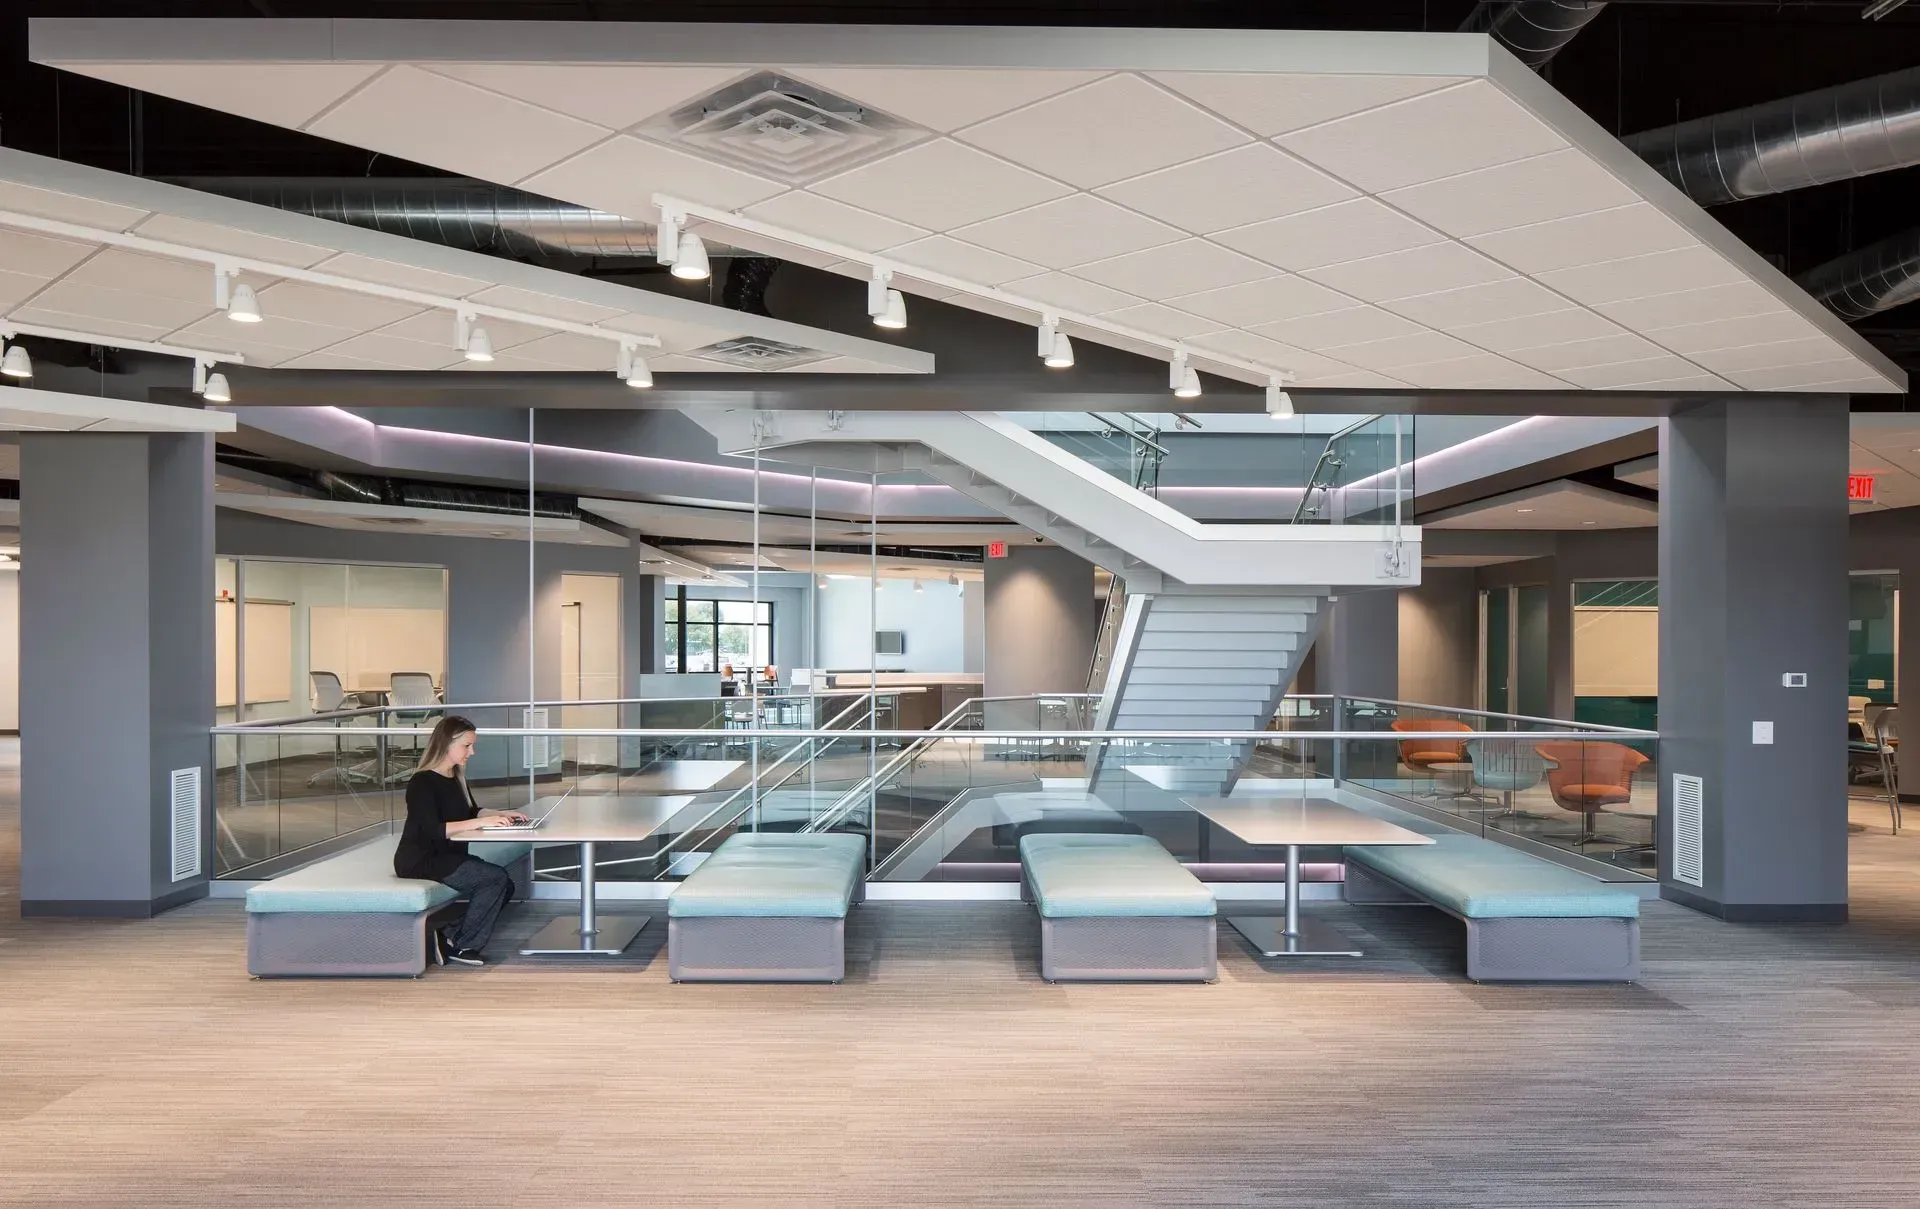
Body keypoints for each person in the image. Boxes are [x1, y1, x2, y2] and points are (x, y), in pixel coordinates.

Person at [393, 715, 526, 967]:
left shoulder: (455, 777)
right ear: (446, 744)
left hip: (449, 856)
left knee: (505, 885)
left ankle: (450, 935)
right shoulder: (422, 782)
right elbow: (433, 830)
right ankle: (462, 944)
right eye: (467, 746)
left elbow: (471, 811)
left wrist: (500, 814)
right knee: (494, 879)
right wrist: (478, 823)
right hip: (422, 859)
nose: (472, 752)